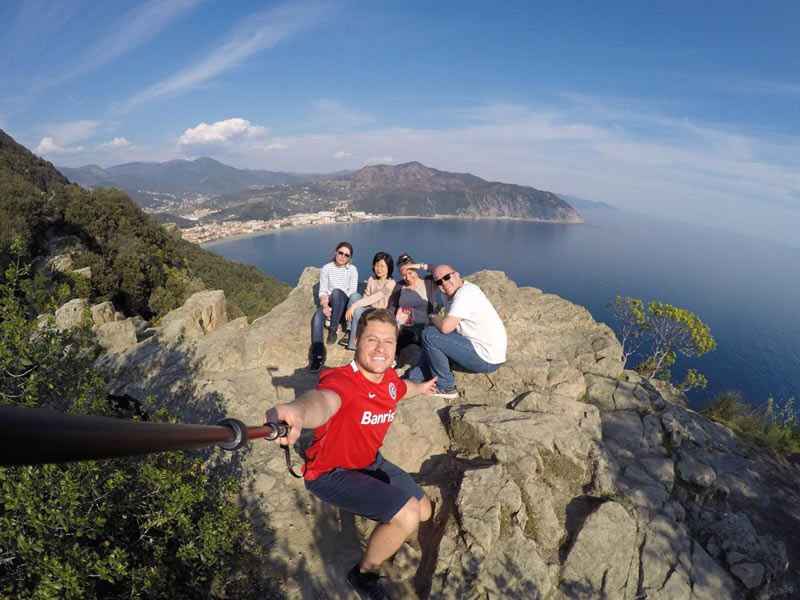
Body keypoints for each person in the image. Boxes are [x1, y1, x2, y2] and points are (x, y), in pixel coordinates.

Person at [265, 309, 437, 600]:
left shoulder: (389, 380)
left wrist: (421, 388)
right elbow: (323, 401)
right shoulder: (342, 380)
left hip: (370, 462)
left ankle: (381, 519)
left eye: (388, 342)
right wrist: (297, 411)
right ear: (356, 340)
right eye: (372, 340)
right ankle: (364, 574)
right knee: (407, 514)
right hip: (330, 473)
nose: (380, 349)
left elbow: (400, 388)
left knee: (424, 511)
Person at [405, 263, 507, 399]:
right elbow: (439, 271)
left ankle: (446, 386)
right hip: (475, 346)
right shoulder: (447, 294)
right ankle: (411, 380)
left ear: (457, 275)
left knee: (430, 335)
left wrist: (432, 317)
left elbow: (446, 327)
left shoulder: (466, 293)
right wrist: (418, 266)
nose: (444, 283)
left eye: (447, 278)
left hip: (487, 358)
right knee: (433, 334)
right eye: (439, 282)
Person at [310, 242, 359, 373]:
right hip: (330, 303)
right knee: (316, 318)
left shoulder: (352, 270)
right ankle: (318, 356)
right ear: (335, 252)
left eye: (346, 255)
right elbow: (322, 291)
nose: (342, 256)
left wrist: (332, 298)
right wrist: (325, 305)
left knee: (337, 292)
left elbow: (352, 292)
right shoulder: (326, 268)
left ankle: (333, 328)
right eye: (340, 253)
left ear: (349, 258)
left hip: (344, 303)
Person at [342, 252, 398, 350]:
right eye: (377, 265)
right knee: (354, 296)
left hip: (380, 311)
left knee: (357, 310)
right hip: (369, 307)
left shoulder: (391, 283)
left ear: (389, 267)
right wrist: (357, 304)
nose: (379, 269)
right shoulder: (371, 279)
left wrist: (355, 306)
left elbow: (376, 297)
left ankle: (353, 344)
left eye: (382, 266)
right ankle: (349, 330)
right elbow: (366, 296)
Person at [388, 253, 437, 355]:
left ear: (416, 269)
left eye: (410, 272)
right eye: (404, 275)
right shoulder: (400, 286)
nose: (408, 277)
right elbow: (392, 307)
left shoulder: (428, 282)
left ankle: (393, 357)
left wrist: (420, 265)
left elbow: (442, 271)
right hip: (401, 326)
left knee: (404, 337)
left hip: (422, 327)